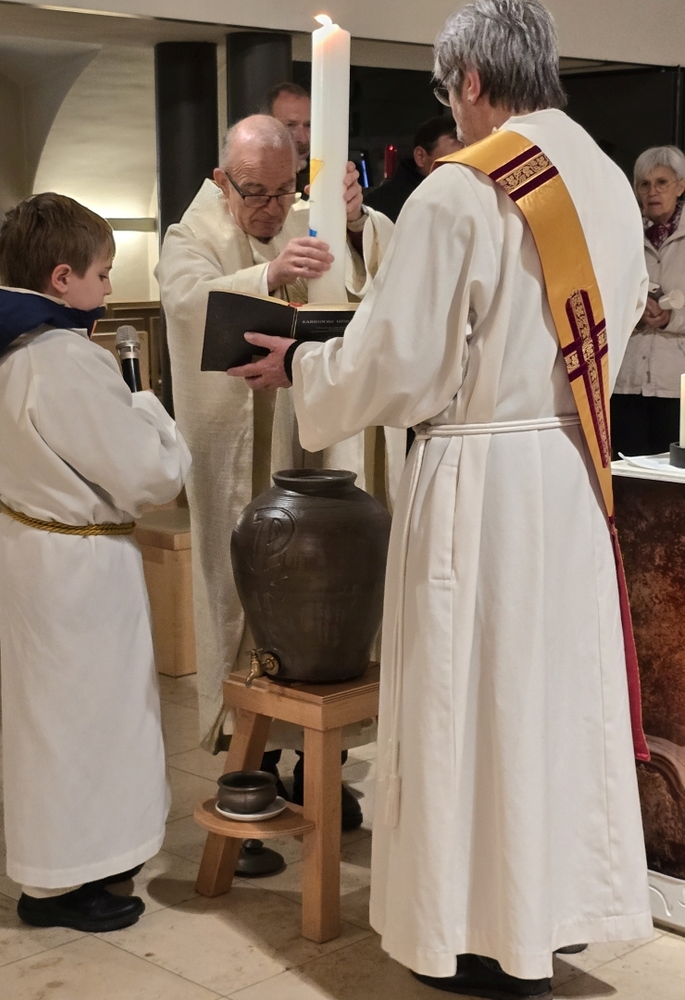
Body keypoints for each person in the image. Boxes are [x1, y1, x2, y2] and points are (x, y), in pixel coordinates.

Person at [227, 2, 652, 997]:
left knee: (473, 703)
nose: (451, 115)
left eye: (447, 94)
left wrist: (305, 369)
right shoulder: (603, 176)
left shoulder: (464, 188)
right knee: (546, 701)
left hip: (481, 479)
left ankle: (479, 932)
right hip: (567, 469)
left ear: (469, 82)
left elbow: (404, 362)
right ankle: (547, 911)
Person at [0, 193, 191, 932]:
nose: (109, 288)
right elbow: (151, 478)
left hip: (26, 550)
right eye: (103, 273)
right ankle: (77, 881)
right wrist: (149, 410)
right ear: (62, 277)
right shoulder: (65, 360)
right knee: (94, 721)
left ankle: (52, 871)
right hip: (81, 566)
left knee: (45, 724)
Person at [157, 115, 398, 829]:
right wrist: (267, 274)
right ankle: (251, 763)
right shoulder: (190, 234)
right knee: (246, 589)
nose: (272, 207)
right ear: (221, 180)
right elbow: (184, 302)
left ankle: (319, 766)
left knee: (329, 584)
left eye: (285, 189)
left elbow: (376, 275)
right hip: (242, 447)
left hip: (312, 432)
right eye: (255, 193)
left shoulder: (308, 216)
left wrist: (353, 226)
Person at [612, 145, 685, 457]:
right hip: (626, 380)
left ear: (680, 186)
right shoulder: (621, 234)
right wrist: (634, 312)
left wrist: (671, 319)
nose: (652, 191)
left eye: (662, 182)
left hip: (676, 385)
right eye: (644, 184)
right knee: (626, 473)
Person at [364, 116, 463, 221]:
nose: (465, 170)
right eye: (455, 160)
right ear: (421, 157)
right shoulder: (380, 209)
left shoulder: (464, 196)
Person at [263, 81, 311, 192]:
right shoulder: (248, 183)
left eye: (308, 125)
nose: (304, 140)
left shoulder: (323, 176)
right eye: (290, 125)